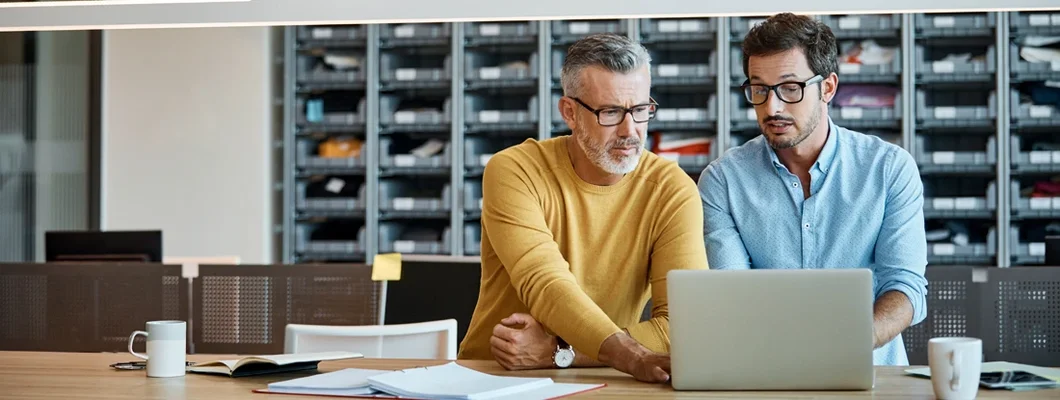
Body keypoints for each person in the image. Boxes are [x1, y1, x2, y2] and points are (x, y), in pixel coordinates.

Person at [456, 33, 709, 382]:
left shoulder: (671, 189)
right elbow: (546, 284)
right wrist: (630, 355)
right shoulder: (515, 170)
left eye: (639, 110)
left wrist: (561, 354)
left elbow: (683, 325)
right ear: (570, 113)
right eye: (610, 112)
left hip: (606, 380)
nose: (630, 130)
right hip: (493, 378)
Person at [697, 13, 928, 366]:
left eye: (790, 88)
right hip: (766, 374)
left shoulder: (888, 169)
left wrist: (849, 342)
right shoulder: (723, 180)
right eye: (759, 89)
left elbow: (905, 287)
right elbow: (732, 295)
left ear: (828, 87)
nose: (772, 107)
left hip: (870, 373)